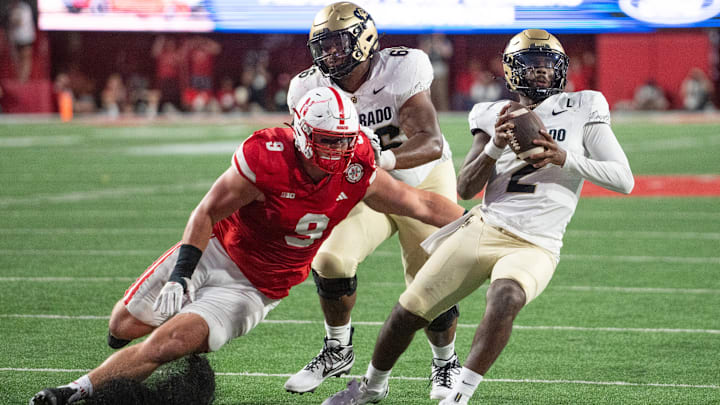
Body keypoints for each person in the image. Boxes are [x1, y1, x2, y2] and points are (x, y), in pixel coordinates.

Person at [29, 86, 465, 405]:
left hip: (257, 286)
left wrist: (478, 221)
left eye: (345, 142)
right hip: (218, 249)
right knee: (122, 328)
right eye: (328, 142)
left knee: (168, 344)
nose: (338, 153)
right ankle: (171, 311)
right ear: (300, 133)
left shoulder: (357, 168)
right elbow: (207, 212)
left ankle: (72, 392)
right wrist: (183, 274)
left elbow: (418, 203)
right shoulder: (266, 155)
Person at [323, 28, 634, 405]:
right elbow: (467, 188)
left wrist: (563, 157)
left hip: (537, 243)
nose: (540, 73)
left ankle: (458, 397)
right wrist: (495, 145)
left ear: (561, 69)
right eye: (531, 65)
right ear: (512, 71)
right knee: (410, 310)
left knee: (505, 296)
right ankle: (370, 388)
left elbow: (624, 179)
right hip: (485, 227)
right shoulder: (491, 114)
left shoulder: (585, 105)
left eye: (547, 66)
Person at [283, 2, 462, 400]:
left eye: (338, 44)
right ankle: (336, 349)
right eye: (322, 46)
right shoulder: (307, 87)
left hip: (422, 180)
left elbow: (431, 142)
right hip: (364, 186)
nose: (330, 54)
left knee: (429, 279)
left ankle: (445, 362)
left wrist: (382, 158)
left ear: (364, 39)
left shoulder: (402, 68)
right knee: (329, 260)